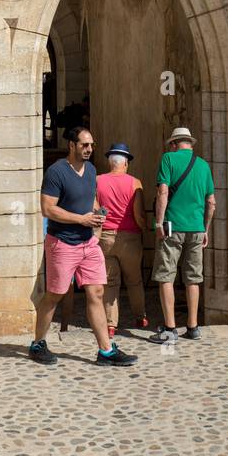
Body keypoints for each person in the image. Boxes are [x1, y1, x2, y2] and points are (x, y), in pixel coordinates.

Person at [31, 127, 137, 368]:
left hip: (88, 242)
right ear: (71, 145)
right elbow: (48, 208)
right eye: (84, 145)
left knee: (97, 292)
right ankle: (38, 343)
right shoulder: (56, 172)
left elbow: (90, 198)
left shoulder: (91, 170)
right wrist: (81, 219)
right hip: (62, 243)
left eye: (91, 145)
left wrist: (97, 215)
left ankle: (106, 351)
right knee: (54, 296)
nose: (90, 149)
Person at [152, 126, 215, 343]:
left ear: (173, 144)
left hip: (172, 226)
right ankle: (193, 326)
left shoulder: (168, 159)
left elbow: (162, 191)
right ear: (190, 143)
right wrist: (205, 229)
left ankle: (170, 329)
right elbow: (211, 202)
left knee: (166, 275)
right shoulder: (203, 165)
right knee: (193, 278)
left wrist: (159, 222)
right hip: (197, 228)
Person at [96, 142, 148, 337]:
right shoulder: (135, 183)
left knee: (110, 282)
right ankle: (140, 316)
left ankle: (110, 325)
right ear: (125, 163)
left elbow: (95, 210)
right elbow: (139, 215)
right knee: (134, 280)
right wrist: (144, 230)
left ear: (111, 162)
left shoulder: (97, 181)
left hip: (106, 238)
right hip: (130, 238)